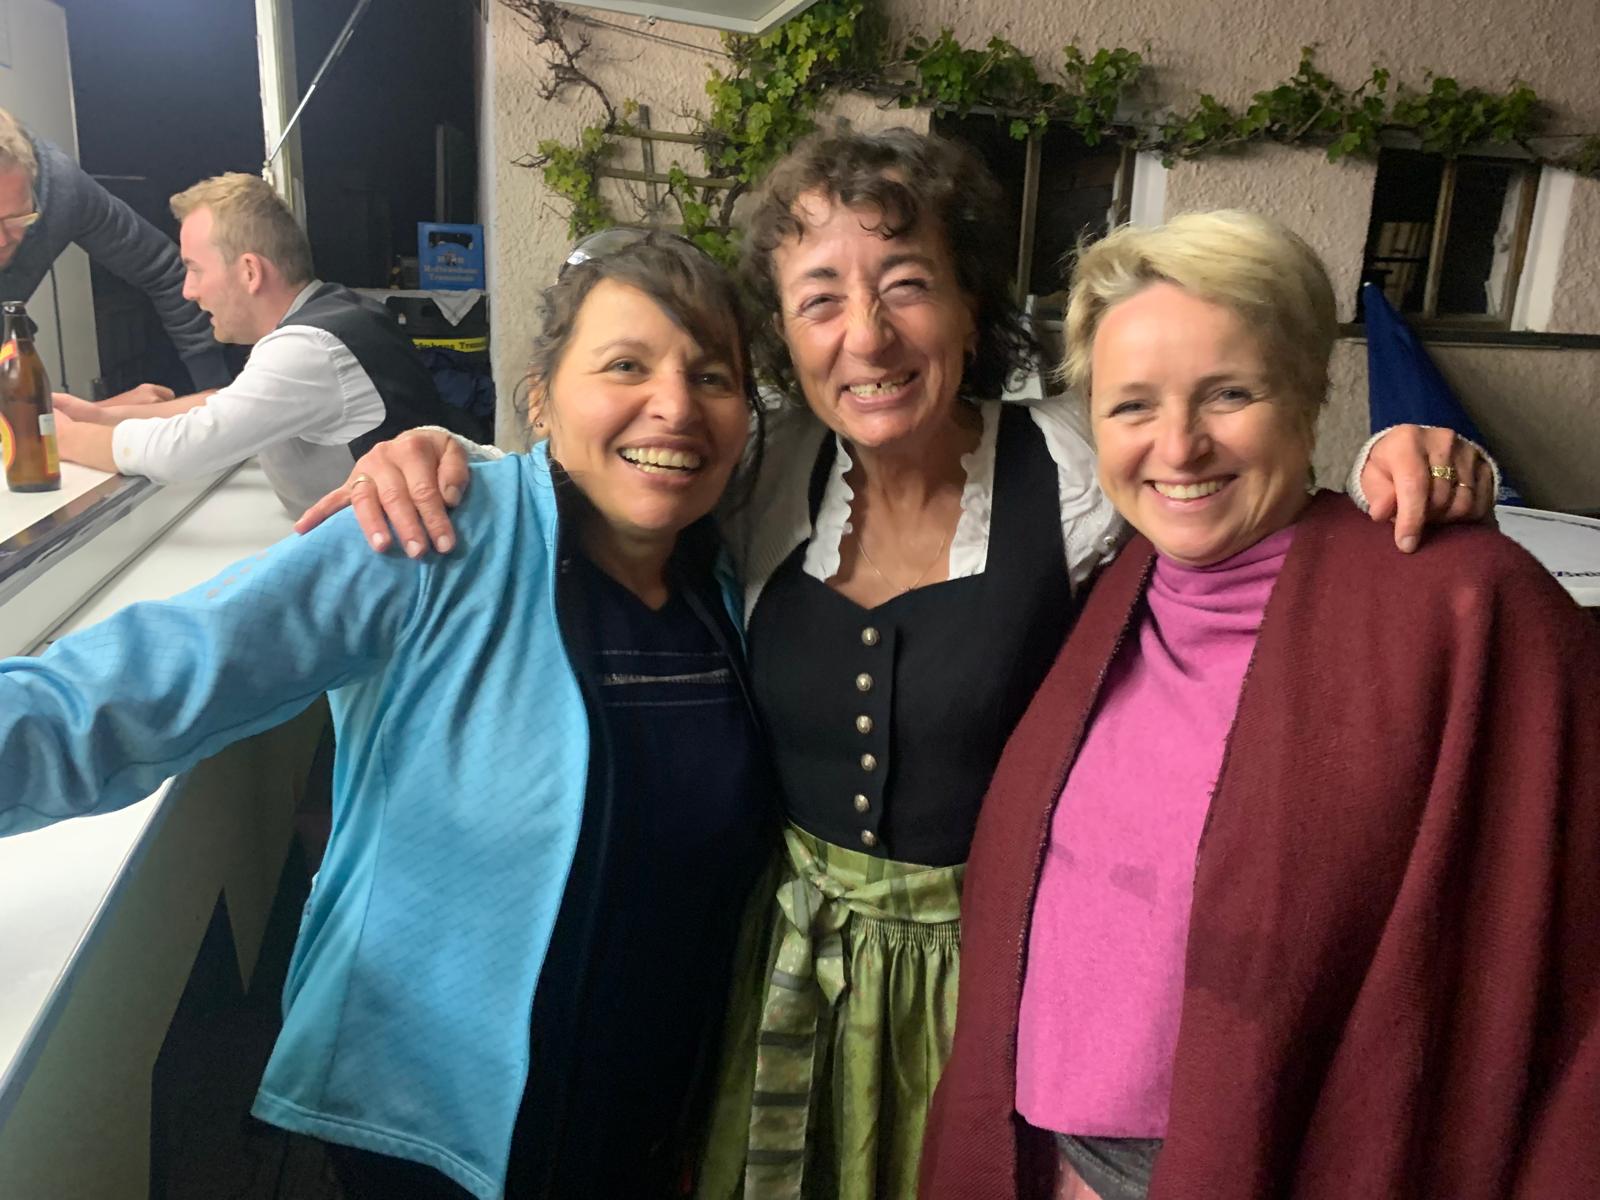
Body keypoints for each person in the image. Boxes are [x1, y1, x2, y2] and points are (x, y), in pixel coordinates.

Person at [300, 130, 1496, 1200]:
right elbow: (605, 475)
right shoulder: (761, 473)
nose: (865, 336)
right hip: (777, 965)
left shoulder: (1076, 471)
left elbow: (1224, 502)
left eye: (907, 286)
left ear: (973, 308)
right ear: (783, 336)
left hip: (992, 975)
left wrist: (1395, 457)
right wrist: (440, 452)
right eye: (818, 299)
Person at [0, 234, 775, 1199]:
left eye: (713, 377)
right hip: (428, 1121)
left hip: (648, 1103)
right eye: (626, 365)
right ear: (541, 397)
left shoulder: (738, 580)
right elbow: (144, 680)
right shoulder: (429, 533)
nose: (676, 406)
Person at [921, 211, 1600, 1200]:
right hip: (1045, 1149)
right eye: (1132, 405)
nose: (1178, 446)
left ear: (1308, 393)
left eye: (1229, 393)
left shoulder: (1462, 602)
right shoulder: (1115, 586)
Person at [49, 172, 474, 516]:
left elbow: (177, 452)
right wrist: (98, 415)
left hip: (397, 563)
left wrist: (60, 439)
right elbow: (226, 404)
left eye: (195, 270)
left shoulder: (308, 347)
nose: (188, 291)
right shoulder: (335, 313)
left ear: (250, 271)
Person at [0, 106, 227, 395]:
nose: (2, 241)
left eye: (17, 218)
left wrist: (215, 392)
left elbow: (166, 272)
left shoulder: (62, 189)